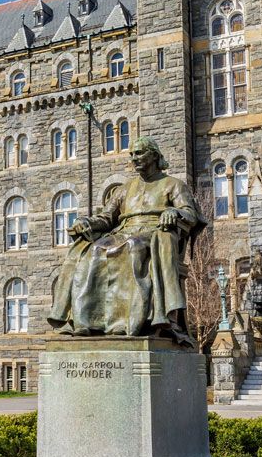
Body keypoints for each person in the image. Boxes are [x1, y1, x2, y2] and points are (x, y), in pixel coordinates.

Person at [47, 136, 202, 346]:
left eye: (139, 153)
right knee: (95, 249)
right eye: (132, 154)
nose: (134, 158)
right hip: (124, 230)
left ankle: (134, 323)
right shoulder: (124, 189)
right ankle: (88, 321)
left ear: (154, 156)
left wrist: (174, 212)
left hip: (155, 231)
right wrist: (87, 222)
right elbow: (106, 218)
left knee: (133, 247)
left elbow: (190, 214)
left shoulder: (173, 184)